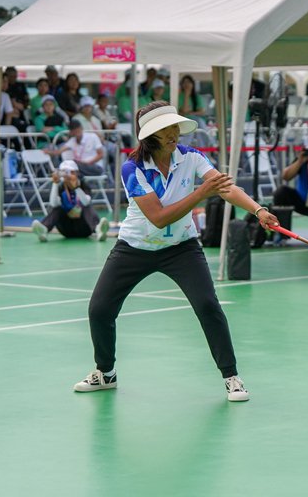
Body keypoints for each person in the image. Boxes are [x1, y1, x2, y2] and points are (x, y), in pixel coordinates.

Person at [73, 101, 279, 401]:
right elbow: (158, 217)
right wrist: (200, 193)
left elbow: (223, 187)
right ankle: (105, 373)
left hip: (181, 248)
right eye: (164, 129)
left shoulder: (191, 157)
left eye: (174, 126)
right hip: (135, 247)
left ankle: (232, 377)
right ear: (150, 135)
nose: (173, 133)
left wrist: (258, 210)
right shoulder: (133, 169)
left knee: (208, 306)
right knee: (100, 309)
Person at [31, 160, 110, 241]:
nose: (68, 175)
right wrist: (55, 184)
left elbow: (86, 202)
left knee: (86, 206)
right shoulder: (60, 186)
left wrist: (76, 187)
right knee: (58, 208)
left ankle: (98, 230)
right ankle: (44, 229)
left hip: (84, 228)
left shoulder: (83, 185)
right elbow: (53, 204)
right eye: (64, 172)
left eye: (71, 172)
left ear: (77, 173)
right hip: (66, 229)